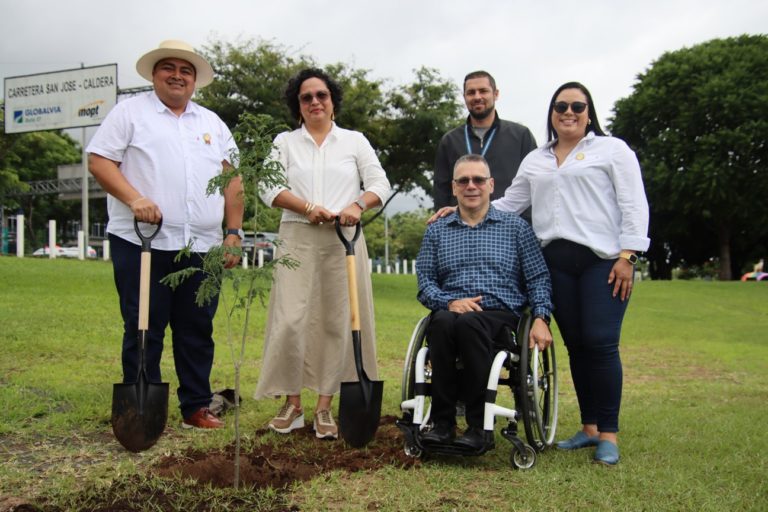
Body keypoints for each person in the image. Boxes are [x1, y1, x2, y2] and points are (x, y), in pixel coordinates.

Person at [435, 82, 650, 464]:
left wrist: (628, 256)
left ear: (589, 112)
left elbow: (634, 203)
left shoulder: (612, 150)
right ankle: (589, 428)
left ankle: (608, 434)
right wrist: (462, 208)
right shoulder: (537, 159)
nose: (569, 113)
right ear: (552, 113)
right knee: (576, 346)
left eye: (577, 106)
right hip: (556, 262)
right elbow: (510, 203)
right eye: (561, 106)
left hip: (602, 260)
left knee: (601, 343)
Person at [88, 40, 244, 430]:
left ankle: (196, 406)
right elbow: (100, 161)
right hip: (143, 241)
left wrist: (233, 232)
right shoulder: (129, 113)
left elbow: (233, 179)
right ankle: (143, 409)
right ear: (155, 75)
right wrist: (135, 198)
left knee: (197, 327)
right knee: (144, 324)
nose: (177, 76)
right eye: (168, 68)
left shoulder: (212, 123)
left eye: (185, 70)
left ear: (194, 80)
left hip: (203, 245)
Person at [255, 68, 391, 440]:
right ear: (297, 105)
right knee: (290, 320)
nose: (315, 102)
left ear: (333, 101)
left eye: (322, 95)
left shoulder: (354, 141)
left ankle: (325, 406)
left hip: (343, 240)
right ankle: (293, 404)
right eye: (306, 97)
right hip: (297, 236)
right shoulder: (285, 142)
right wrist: (306, 207)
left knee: (337, 321)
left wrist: (357, 205)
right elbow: (268, 186)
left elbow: (379, 183)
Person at [416, 154, 553, 450]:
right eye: (463, 180)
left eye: (478, 180)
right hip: (451, 311)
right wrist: (449, 301)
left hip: (499, 317)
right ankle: (442, 423)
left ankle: (479, 427)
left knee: (469, 324)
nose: (471, 186)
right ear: (454, 187)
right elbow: (425, 283)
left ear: (491, 185)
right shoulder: (437, 230)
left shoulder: (516, 228)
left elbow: (538, 278)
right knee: (441, 322)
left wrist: (541, 317)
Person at [433, 71, 537, 210]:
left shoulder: (521, 136)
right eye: (471, 92)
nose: (477, 97)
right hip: (462, 222)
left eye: (483, 91)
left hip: (510, 221)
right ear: (464, 97)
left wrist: (525, 221)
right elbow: (441, 191)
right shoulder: (450, 141)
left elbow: (534, 185)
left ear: (495, 94)